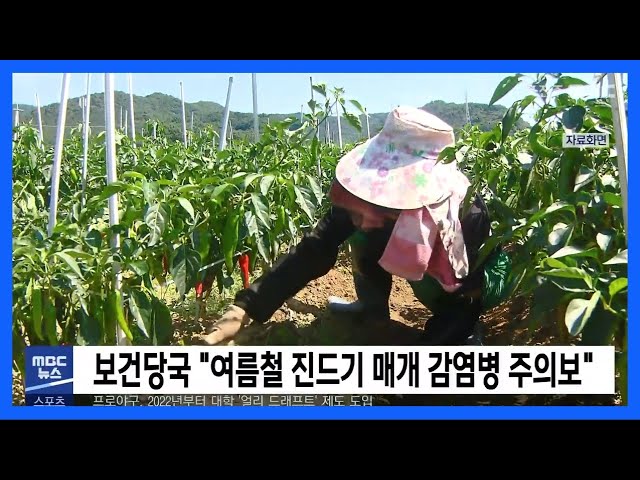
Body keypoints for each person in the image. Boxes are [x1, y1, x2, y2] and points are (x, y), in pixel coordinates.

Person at [202, 106, 511, 346]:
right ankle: (371, 311)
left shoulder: (464, 214)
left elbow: (466, 293)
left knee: (459, 300)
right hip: (420, 252)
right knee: (364, 235)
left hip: (471, 277)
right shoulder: (365, 202)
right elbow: (315, 247)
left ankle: (466, 336)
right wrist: (246, 306)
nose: (364, 213)